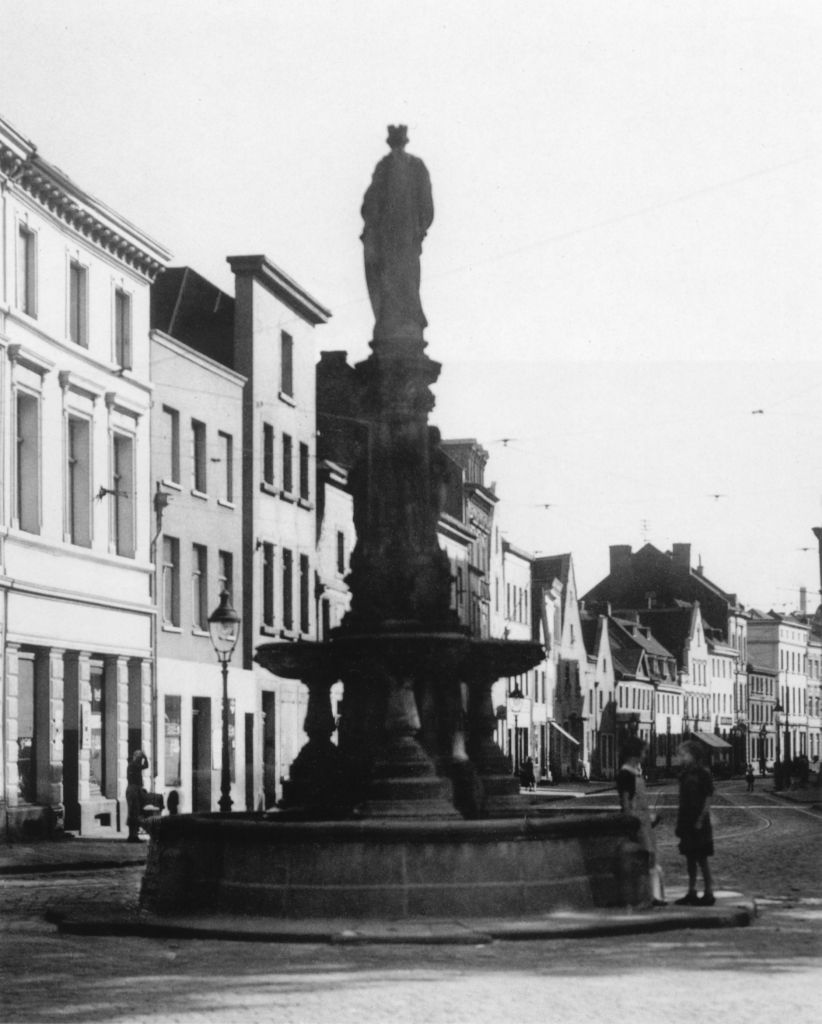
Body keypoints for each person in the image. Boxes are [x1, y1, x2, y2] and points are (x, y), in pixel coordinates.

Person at [361, 124, 434, 341]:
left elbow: (426, 203)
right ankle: (389, 321)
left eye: (399, 145)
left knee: (408, 280)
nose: (397, 149)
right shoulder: (383, 167)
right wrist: (373, 226)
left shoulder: (416, 166)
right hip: (386, 237)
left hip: (407, 236)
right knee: (387, 280)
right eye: (394, 145)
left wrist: (419, 228)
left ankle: (410, 320)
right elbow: (370, 201)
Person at [617, 736, 664, 906]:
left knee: (650, 856)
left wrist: (650, 817)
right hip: (637, 821)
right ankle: (645, 896)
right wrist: (630, 822)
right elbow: (626, 801)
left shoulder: (635, 772)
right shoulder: (625, 774)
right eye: (643, 752)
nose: (644, 756)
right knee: (643, 857)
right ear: (634, 754)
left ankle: (653, 896)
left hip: (644, 820)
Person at [674, 740, 715, 905]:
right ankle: (691, 891)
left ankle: (709, 892)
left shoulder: (703, 774)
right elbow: (682, 800)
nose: (681, 758)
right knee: (690, 858)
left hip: (699, 821)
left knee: (702, 858)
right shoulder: (683, 774)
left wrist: (700, 818)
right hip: (686, 820)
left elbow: (708, 798)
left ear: (693, 755)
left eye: (683, 754)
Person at [126, 749, 149, 843]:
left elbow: (145, 766)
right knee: (134, 813)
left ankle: (133, 835)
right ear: (137, 757)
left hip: (134, 789)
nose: (140, 759)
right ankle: (132, 836)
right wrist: (145, 757)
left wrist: (144, 757)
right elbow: (145, 766)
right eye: (139, 757)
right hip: (133, 790)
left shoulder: (133, 764)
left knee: (134, 813)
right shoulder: (134, 765)